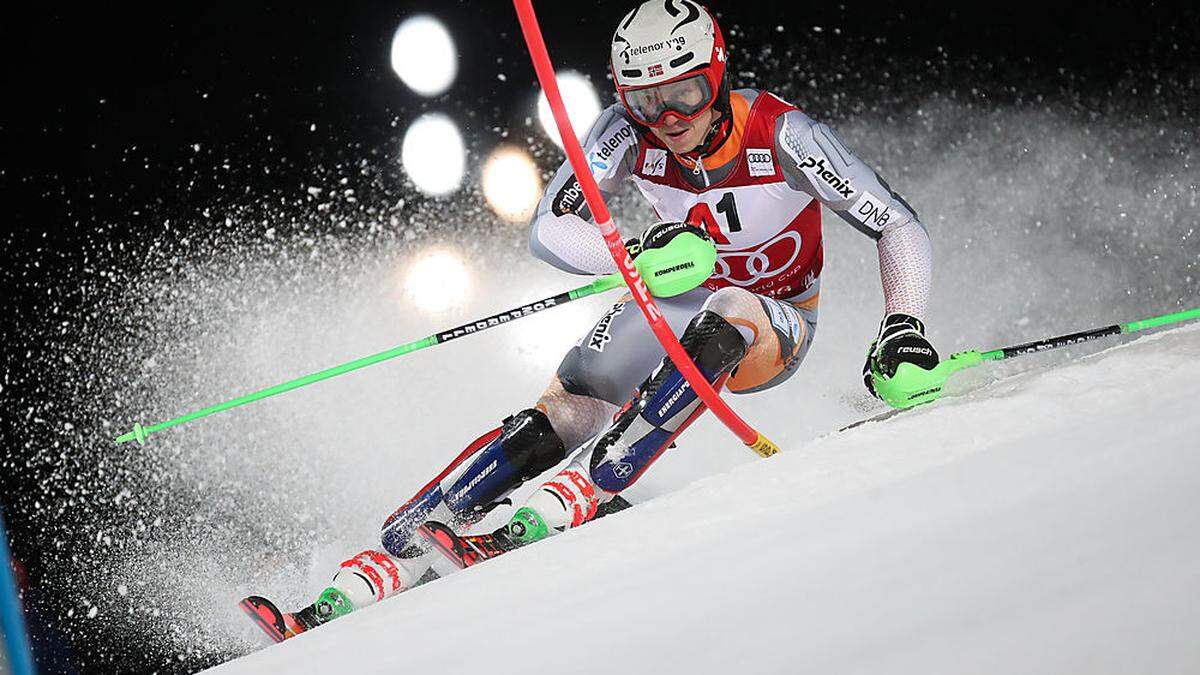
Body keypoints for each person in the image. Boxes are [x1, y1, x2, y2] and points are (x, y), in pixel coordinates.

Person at [241, 0, 938, 641]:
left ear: (717, 74)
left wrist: (902, 325)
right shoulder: (622, 135)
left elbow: (897, 225)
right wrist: (633, 253)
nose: (668, 118)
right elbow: (549, 228)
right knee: (570, 403)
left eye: (685, 93)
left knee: (727, 307)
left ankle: (591, 485)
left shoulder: (785, 133)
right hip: (680, 295)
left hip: (774, 321)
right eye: (644, 100)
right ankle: (399, 546)